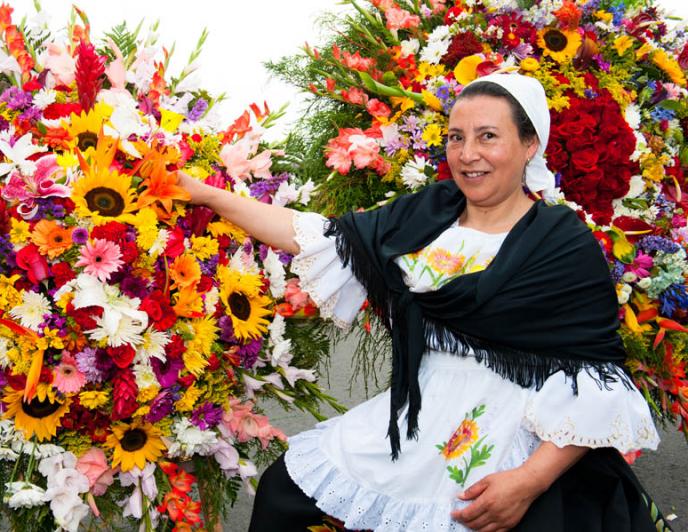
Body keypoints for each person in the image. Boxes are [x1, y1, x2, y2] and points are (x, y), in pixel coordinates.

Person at [178, 74, 665, 531]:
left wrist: (529, 481)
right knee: (284, 492)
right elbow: (318, 237)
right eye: (456, 137)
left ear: (530, 144)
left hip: (516, 430)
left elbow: (596, 377)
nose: (468, 154)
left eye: (488, 136)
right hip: (419, 411)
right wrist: (205, 195)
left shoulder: (561, 244)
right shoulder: (429, 214)